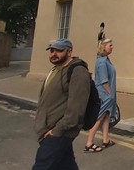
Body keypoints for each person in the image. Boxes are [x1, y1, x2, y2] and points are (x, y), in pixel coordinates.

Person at [33, 39, 90, 170]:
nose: (54, 54)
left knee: (42, 165)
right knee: (66, 165)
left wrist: (57, 131)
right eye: (52, 50)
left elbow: (77, 108)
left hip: (60, 131)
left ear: (69, 51)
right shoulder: (55, 70)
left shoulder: (77, 71)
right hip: (49, 129)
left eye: (59, 50)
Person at [85, 38, 117, 152]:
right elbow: (104, 81)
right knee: (99, 117)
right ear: (103, 47)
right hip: (104, 94)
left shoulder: (105, 59)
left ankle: (105, 140)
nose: (112, 47)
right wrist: (110, 94)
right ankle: (89, 143)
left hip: (107, 94)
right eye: (110, 45)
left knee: (106, 116)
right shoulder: (102, 62)